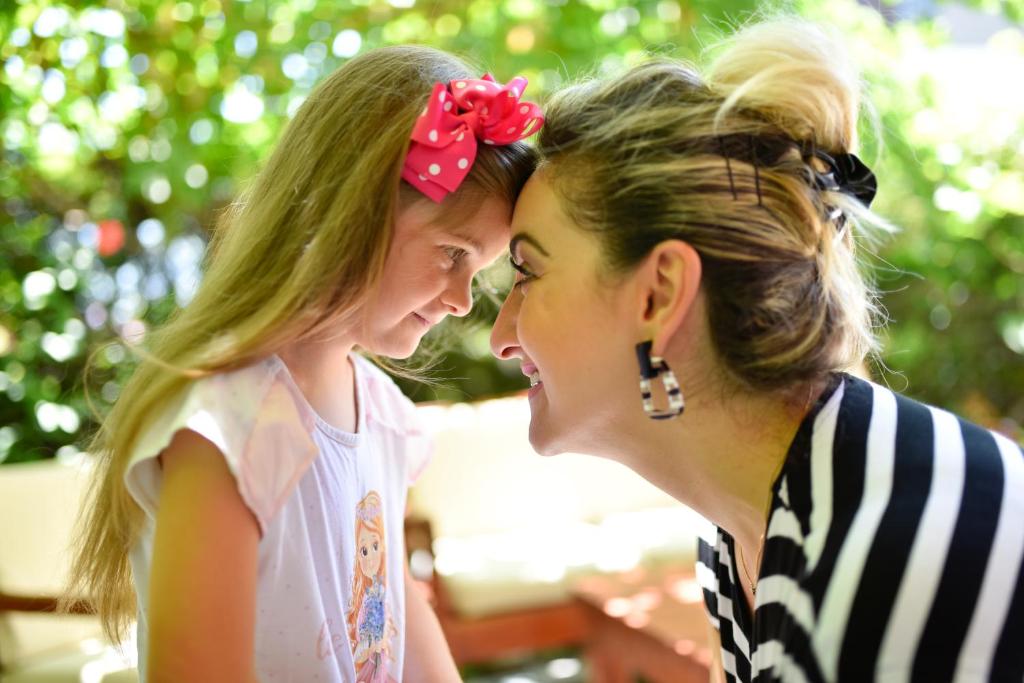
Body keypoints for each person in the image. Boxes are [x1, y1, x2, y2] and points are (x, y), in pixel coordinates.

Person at [490, 19, 1023, 683]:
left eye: (527, 272)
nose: (500, 334)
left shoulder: (892, 557)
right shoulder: (736, 549)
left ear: (659, 292)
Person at [64, 45, 541, 682]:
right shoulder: (232, 425)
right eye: (452, 254)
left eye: (476, 272)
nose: (460, 301)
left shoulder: (380, 415)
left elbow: (393, 610)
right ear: (354, 209)